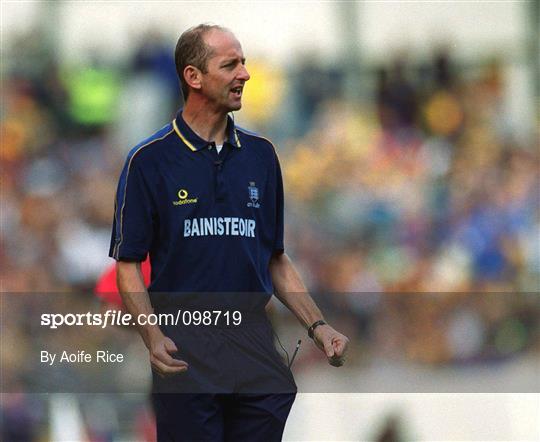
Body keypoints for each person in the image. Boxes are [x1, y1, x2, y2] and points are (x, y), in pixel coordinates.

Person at [109, 24, 349, 442]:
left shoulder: (262, 156)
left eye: (244, 63)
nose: (245, 74)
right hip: (187, 350)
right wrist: (151, 334)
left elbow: (276, 258)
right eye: (230, 64)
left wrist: (318, 326)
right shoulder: (149, 161)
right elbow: (128, 264)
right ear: (193, 77)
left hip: (254, 346)